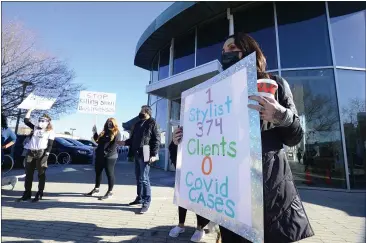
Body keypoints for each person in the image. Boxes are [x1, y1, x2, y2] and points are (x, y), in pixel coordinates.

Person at [172, 32, 314, 243]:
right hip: (232, 197)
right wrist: (181, 140)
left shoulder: (273, 83)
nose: (225, 54)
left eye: (232, 48)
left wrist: (280, 116)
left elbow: (295, 137)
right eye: (223, 51)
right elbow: (204, 146)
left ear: (249, 51)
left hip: (269, 193)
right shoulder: (216, 93)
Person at [119, 105, 161, 214]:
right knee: (138, 177)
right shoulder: (137, 124)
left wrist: (153, 154)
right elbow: (133, 139)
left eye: (142, 111)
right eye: (140, 111)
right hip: (137, 153)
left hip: (147, 151)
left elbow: (156, 140)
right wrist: (124, 142)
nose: (140, 113)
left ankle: (146, 201)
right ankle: (140, 198)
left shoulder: (153, 123)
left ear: (148, 113)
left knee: (144, 178)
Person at [168, 140, 212, 242]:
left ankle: (200, 227)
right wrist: (174, 141)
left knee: (200, 197)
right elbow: (172, 147)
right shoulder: (184, 127)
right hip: (185, 166)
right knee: (183, 197)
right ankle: (181, 224)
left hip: (204, 165)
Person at [18, 109, 55, 202]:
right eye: (40, 120)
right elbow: (26, 121)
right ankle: (27, 193)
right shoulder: (35, 128)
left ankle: (40, 192)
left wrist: (46, 154)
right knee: (28, 173)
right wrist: (30, 110)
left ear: (48, 122)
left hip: (41, 153)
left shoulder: (50, 131)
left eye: (43, 120)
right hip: (31, 152)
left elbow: (50, 144)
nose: (40, 122)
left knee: (41, 173)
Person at [85, 118, 121, 200]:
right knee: (98, 172)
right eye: (108, 122)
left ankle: (110, 192)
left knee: (109, 173)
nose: (109, 123)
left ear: (114, 123)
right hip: (100, 155)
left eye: (111, 122)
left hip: (110, 156)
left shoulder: (116, 132)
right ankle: (96, 189)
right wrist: (94, 132)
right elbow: (97, 141)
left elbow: (115, 144)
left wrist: (107, 151)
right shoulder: (104, 132)